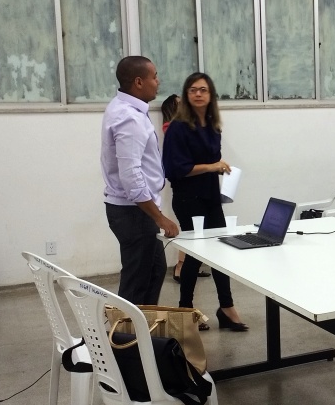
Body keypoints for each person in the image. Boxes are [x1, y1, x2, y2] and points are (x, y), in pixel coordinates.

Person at [162, 72, 248, 331]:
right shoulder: (178, 127)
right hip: (188, 199)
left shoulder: (213, 126)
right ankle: (185, 310)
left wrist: (220, 169)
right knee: (195, 255)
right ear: (186, 95)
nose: (198, 94)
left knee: (221, 251)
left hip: (211, 197)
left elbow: (211, 161)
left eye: (203, 90)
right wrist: (211, 167)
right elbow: (175, 170)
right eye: (193, 90)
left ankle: (226, 307)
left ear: (211, 95)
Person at [101, 56, 179, 305]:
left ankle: (143, 325)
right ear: (138, 82)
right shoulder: (129, 118)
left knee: (154, 270)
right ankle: (127, 329)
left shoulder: (125, 108)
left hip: (136, 210)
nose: (158, 81)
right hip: (134, 213)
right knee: (137, 281)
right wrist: (160, 217)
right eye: (154, 76)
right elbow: (131, 176)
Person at [161, 93, 211, 283]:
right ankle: (181, 267)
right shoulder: (171, 128)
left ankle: (189, 266)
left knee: (196, 231)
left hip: (198, 187)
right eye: (180, 103)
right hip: (186, 190)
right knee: (191, 231)